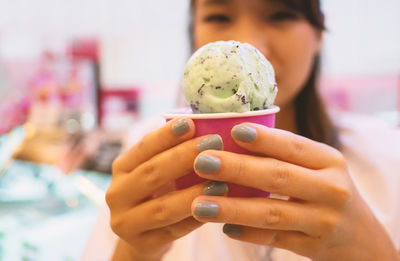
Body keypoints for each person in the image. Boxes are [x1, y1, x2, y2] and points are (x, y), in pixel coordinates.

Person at [99, 0, 400, 260]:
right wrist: (134, 253)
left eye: (280, 14)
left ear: (319, 32)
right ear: (194, 32)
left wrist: (373, 253)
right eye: (219, 16)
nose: (249, 42)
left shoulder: (385, 157)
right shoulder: (150, 153)